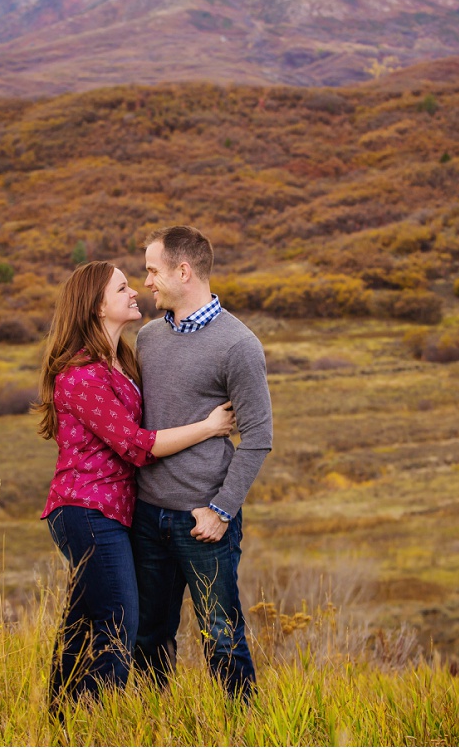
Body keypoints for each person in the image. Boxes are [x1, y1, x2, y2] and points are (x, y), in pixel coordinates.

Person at [34, 260, 235, 708]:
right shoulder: (81, 375)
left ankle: (65, 716)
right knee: (118, 617)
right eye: (122, 287)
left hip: (112, 512)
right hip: (85, 510)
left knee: (85, 620)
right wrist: (208, 427)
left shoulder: (120, 358)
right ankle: (98, 717)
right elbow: (135, 445)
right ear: (95, 306)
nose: (135, 291)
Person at [131, 225, 273, 701]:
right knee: (148, 636)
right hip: (147, 516)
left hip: (202, 524)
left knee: (222, 639)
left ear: (183, 271)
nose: (146, 281)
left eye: (153, 270)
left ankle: (241, 730)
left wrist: (221, 510)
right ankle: (155, 722)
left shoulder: (238, 345)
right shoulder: (148, 338)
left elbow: (258, 436)